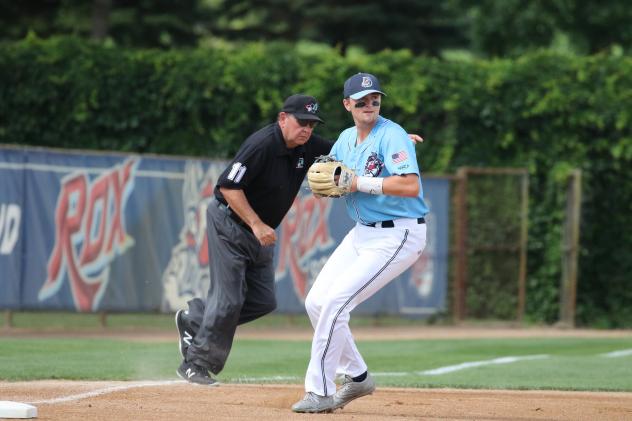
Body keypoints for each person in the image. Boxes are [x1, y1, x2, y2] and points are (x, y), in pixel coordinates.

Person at [174, 93, 423, 386]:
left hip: (261, 230)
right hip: (231, 222)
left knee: (262, 301)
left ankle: (196, 317)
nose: (306, 129)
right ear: (283, 118)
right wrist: (255, 224)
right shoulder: (261, 145)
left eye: (311, 124)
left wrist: (395, 139)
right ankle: (196, 365)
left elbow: (353, 150)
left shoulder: (307, 146)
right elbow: (228, 186)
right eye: (301, 121)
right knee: (228, 300)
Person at [292, 73, 429, 413]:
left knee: (337, 303)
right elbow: (335, 170)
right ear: (347, 104)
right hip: (363, 232)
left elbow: (409, 186)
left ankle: (320, 392)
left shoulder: (391, 133)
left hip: (398, 234)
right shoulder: (345, 138)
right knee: (317, 302)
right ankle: (357, 375)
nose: (370, 105)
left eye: (375, 99)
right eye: (362, 100)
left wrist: (364, 179)